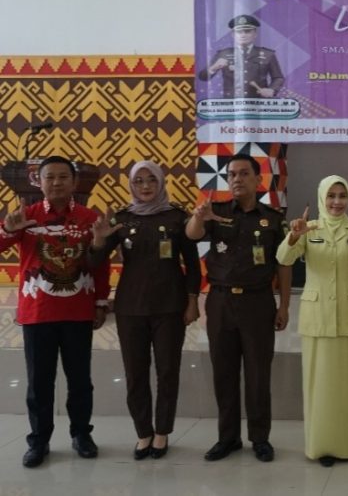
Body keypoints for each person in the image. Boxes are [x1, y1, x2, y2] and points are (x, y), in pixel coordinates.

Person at [0, 156, 111, 468]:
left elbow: (99, 265)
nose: (57, 182)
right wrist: (8, 229)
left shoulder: (90, 218)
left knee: (80, 380)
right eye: (50, 177)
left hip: (78, 311)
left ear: (74, 182)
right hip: (37, 312)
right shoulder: (27, 216)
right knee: (39, 383)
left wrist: (100, 302)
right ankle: (39, 441)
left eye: (63, 177)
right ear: (39, 182)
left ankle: (81, 435)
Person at [87, 160, 201, 460]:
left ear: (161, 182)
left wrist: (192, 301)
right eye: (139, 181)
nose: (146, 186)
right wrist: (99, 239)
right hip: (131, 308)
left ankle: (162, 432)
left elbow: (192, 264)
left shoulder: (177, 217)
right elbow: (94, 262)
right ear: (131, 185)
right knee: (135, 374)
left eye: (151, 180)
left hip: (170, 306)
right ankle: (143, 433)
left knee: (167, 371)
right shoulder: (122, 218)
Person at [185, 154, 292, 462]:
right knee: (224, 373)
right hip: (221, 302)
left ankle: (260, 438)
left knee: (258, 374)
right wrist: (199, 217)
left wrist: (284, 305)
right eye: (231, 174)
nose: (236, 179)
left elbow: (284, 264)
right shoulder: (215, 212)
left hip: (258, 302)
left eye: (244, 173)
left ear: (258, 180)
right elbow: (192, 235)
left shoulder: (273, 219)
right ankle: (227, 438)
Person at [276, 175, 348, 467]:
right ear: (322, 197)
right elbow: (283, 259)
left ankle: (345, 446)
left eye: (342, 195)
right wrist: (293, 236)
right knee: (318, 385)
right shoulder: (307, 228)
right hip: (317, 317)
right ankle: (319, 445)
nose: (336, 201)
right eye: (331, 195)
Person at [197, 14, 285, 99]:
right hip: (231, 104)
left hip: (259, 103)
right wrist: (214, 67)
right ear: (233, 35)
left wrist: (272, 90)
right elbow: (203, 77)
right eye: (239, 32)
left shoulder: (267, 54)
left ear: (255, 34)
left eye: (247, 31)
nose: (243, 35)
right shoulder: (223, 54)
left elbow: (278, 77)